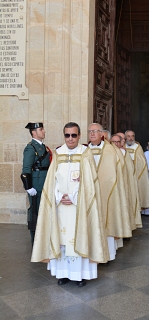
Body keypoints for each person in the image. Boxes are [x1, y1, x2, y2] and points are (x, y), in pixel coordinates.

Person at [31, 122, 109, 287]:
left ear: (79, 136)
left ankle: (80, 275)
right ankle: (64, 273)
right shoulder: (58, 153)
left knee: (78, 236)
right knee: (62, 239)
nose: (70, 138)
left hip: (79, 206)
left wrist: (74, 197)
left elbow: (89, 183)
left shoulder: (85, 153)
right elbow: (52, 181)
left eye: (74, 135)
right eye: (67, 135)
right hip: (60, 206)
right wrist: (59, 196)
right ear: (64, 136)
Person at [88, 123, 132, 261]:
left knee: (108, 220)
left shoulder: (112, 150)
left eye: (95, 131)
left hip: (108, 192)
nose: (92, 134)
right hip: (88, 193)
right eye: (90, 131)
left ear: (102, 134)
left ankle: (108, 254)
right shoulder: (84, 151)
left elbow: (119, 173)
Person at [21, 122, 51, 245]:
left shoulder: (44, 147)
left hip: (45, 182)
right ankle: (36, 243)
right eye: (41, 129)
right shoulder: (31, 147)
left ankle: (44, 241)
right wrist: (29, 187)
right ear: (34, 132)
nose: (44, 131)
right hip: (36, 185)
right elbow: (26, 169)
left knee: (45, 213)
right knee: (36, 213)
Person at [125, 130, 149, 209]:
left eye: (132, 136)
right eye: (128, 136)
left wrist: (134, 162)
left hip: (135, 174)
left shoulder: (138, 147)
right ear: (125, 137)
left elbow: (142, 161)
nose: (130, 138)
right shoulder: (122, 146)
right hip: (124, 174)